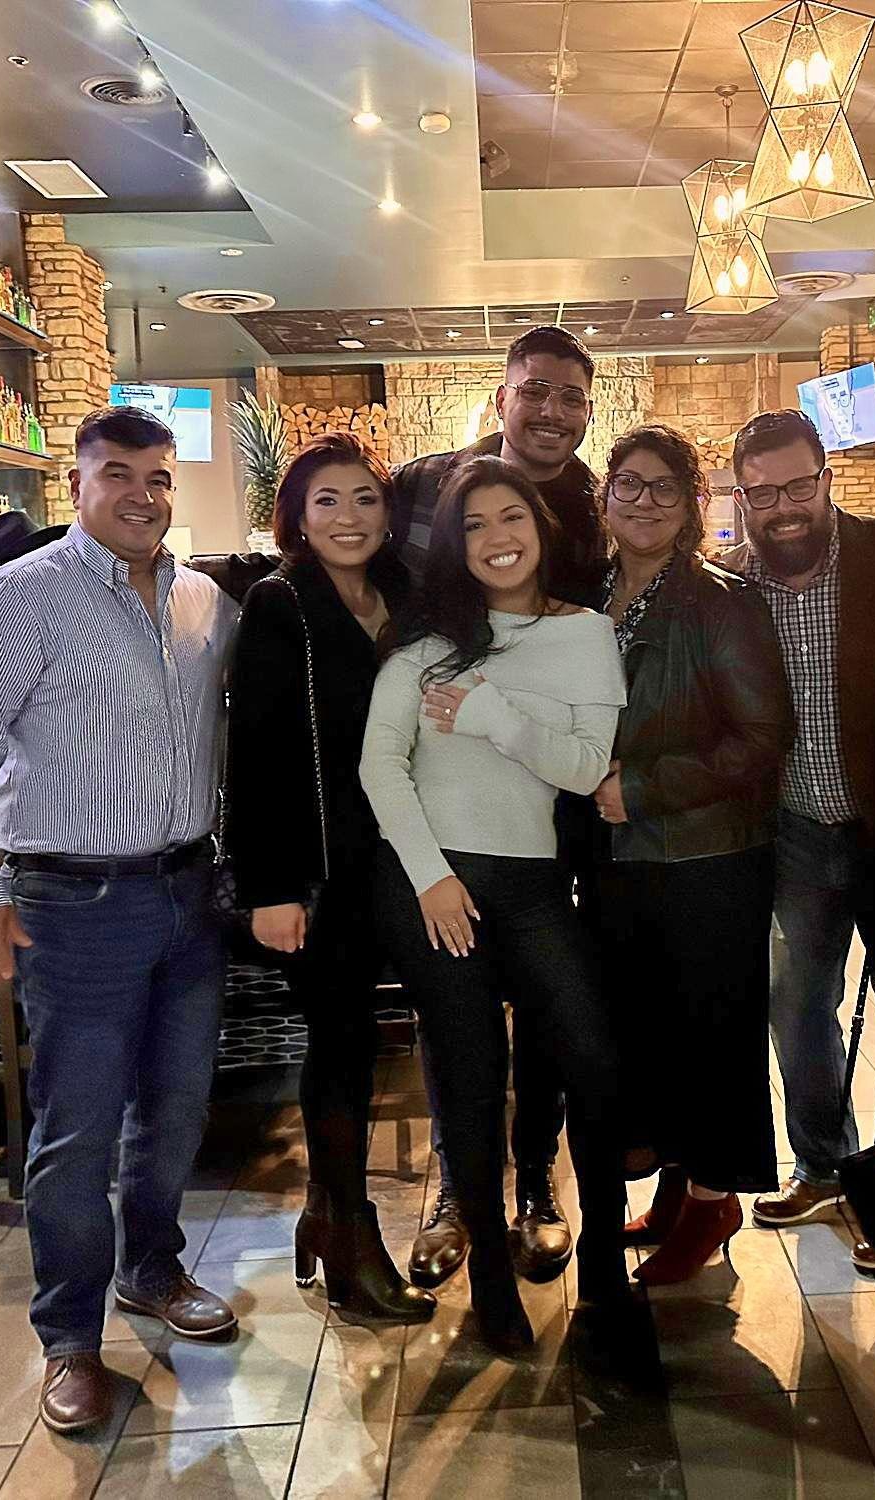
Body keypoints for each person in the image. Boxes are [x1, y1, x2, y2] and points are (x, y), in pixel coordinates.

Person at [0, 406, 240, 1436]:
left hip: (189, 891)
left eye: (158, 478)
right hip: (72, 903)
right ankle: (68, 1336)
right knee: (77, 1128)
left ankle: (151, 1267)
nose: (142, 496)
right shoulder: (21, 597)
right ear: (76, 485)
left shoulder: (202, 601)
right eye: (119, 475)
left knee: (178, 1108)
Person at [361, 455, 628, 1355]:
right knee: (470, 1077)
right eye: (472, 525)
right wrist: (431, 877)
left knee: (593, 1057)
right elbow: (380, 765)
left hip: (535, 883)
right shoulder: (424, 641)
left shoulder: (586, 633)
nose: (496, 538)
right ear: (453, 544)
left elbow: (585, 768)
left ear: (540, 528)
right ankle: (489, 1282)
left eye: (510, 516)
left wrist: (492, 715)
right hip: (435, 883)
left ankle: (605, 1270)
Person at [389, 325, 608, 1290]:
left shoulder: (596, 505)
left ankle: (537, 1185)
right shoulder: (425, 486)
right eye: (536, 391)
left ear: (587, 408)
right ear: (504, 395)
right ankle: (456, 1187)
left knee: (555, 1005)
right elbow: (374, 588)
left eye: (571, 396)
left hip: (554, 792)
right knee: (454, 1005)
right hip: (447, 780)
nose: (552, 411)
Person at [717, 409, 875, 1271]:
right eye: (762, 492)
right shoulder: (731, 585)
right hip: (792, 836)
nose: (783, 506)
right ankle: (821, 1167)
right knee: (796, 1010)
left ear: (826, 479)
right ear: (740, 497)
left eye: (797, 485)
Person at [225, 434, 434, 1325]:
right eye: (327, 501)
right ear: (298, 519)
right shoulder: (281, 603)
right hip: (319, 871)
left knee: (371, 1043)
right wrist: (268, 887)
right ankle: (350, 1241)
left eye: (365, 499)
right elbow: (257, 749)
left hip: (404, 857)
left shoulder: (404, 594)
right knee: (341, 1046)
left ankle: (323, 1215)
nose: (349, 518)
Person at [589, 424, 792, 1284]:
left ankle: (715, 1200)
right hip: (619, 858)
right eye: (628, 484)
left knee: (713, 1033)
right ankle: (680, 1186)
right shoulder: (590, 592)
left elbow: (762, 736)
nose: (644, 501)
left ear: (693, 503)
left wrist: (645, 787)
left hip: (709, 857)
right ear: (604, 496)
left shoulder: (721, 600)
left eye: (664, 487)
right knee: (654, 1033)